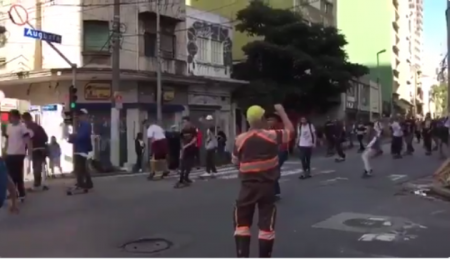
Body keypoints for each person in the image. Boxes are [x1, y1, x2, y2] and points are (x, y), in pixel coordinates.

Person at [232, 104, 294, 258]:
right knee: (266, 225)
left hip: (247, 187)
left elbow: (234, 161)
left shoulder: (240, 139)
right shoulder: (271, 135)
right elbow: (290, 132)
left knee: (242, 224)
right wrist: (282, 111)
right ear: (261, 119)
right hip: (267, 187)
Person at [4, 110, 31, 202]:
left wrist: (29, 153)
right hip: (9, 153)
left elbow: (27, 140)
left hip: (19, 153)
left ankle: (21, 192)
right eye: (10, 116)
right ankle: (13, 192)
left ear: (17, 117)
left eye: (12, 116)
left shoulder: (22, 127)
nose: (10, 118)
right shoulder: (9, 127)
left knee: (17, 174)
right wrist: (4, 151)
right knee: (9, 174)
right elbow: (8, 140)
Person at [22, 112, 49, 191]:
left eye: (24, 121)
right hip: (42, 148)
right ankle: (43, 183)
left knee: (36, 166)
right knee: (42, 166)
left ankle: (37, 184)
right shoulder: (38, 127)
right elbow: (46, 138)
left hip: (35, 149)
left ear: (26, 120)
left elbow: (27, 141)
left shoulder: (28, 128)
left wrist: (26, 150)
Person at [68, 109, 93, 191]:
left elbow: (82, 136)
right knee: (82, 167)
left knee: (80, 167)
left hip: (82, 149)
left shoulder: (85, 125)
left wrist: (74, 137)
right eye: (79, 115)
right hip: (80, 148)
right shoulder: (81, 125)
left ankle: (81, 183)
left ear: (85, 116)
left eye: (81, 115)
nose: (79, 117)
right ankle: (87, 183)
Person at [266, 113, 288, 199]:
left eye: (271, 120)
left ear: (275, 120)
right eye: (268, 120)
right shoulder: (266, 129)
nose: (269, 122)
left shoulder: (280, 129)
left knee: (274, 171)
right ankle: (275, 191)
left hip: (281, 152)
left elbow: (284, 141)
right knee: (271, 171)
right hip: (270, 153)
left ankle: (274, 192)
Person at [176, 117, 197, 187]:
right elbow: (181, 139)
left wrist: (187, 145)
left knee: (189, 163)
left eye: (185, 122)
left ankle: (186, 177)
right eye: (183, 122)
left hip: (191, 148)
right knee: (183, 164)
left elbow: (195, 139)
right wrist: (182, 147)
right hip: (185, 149)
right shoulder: (183, 130)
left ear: (188, 122)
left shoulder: (192, 128)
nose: (184, 123)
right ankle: (181, 179)